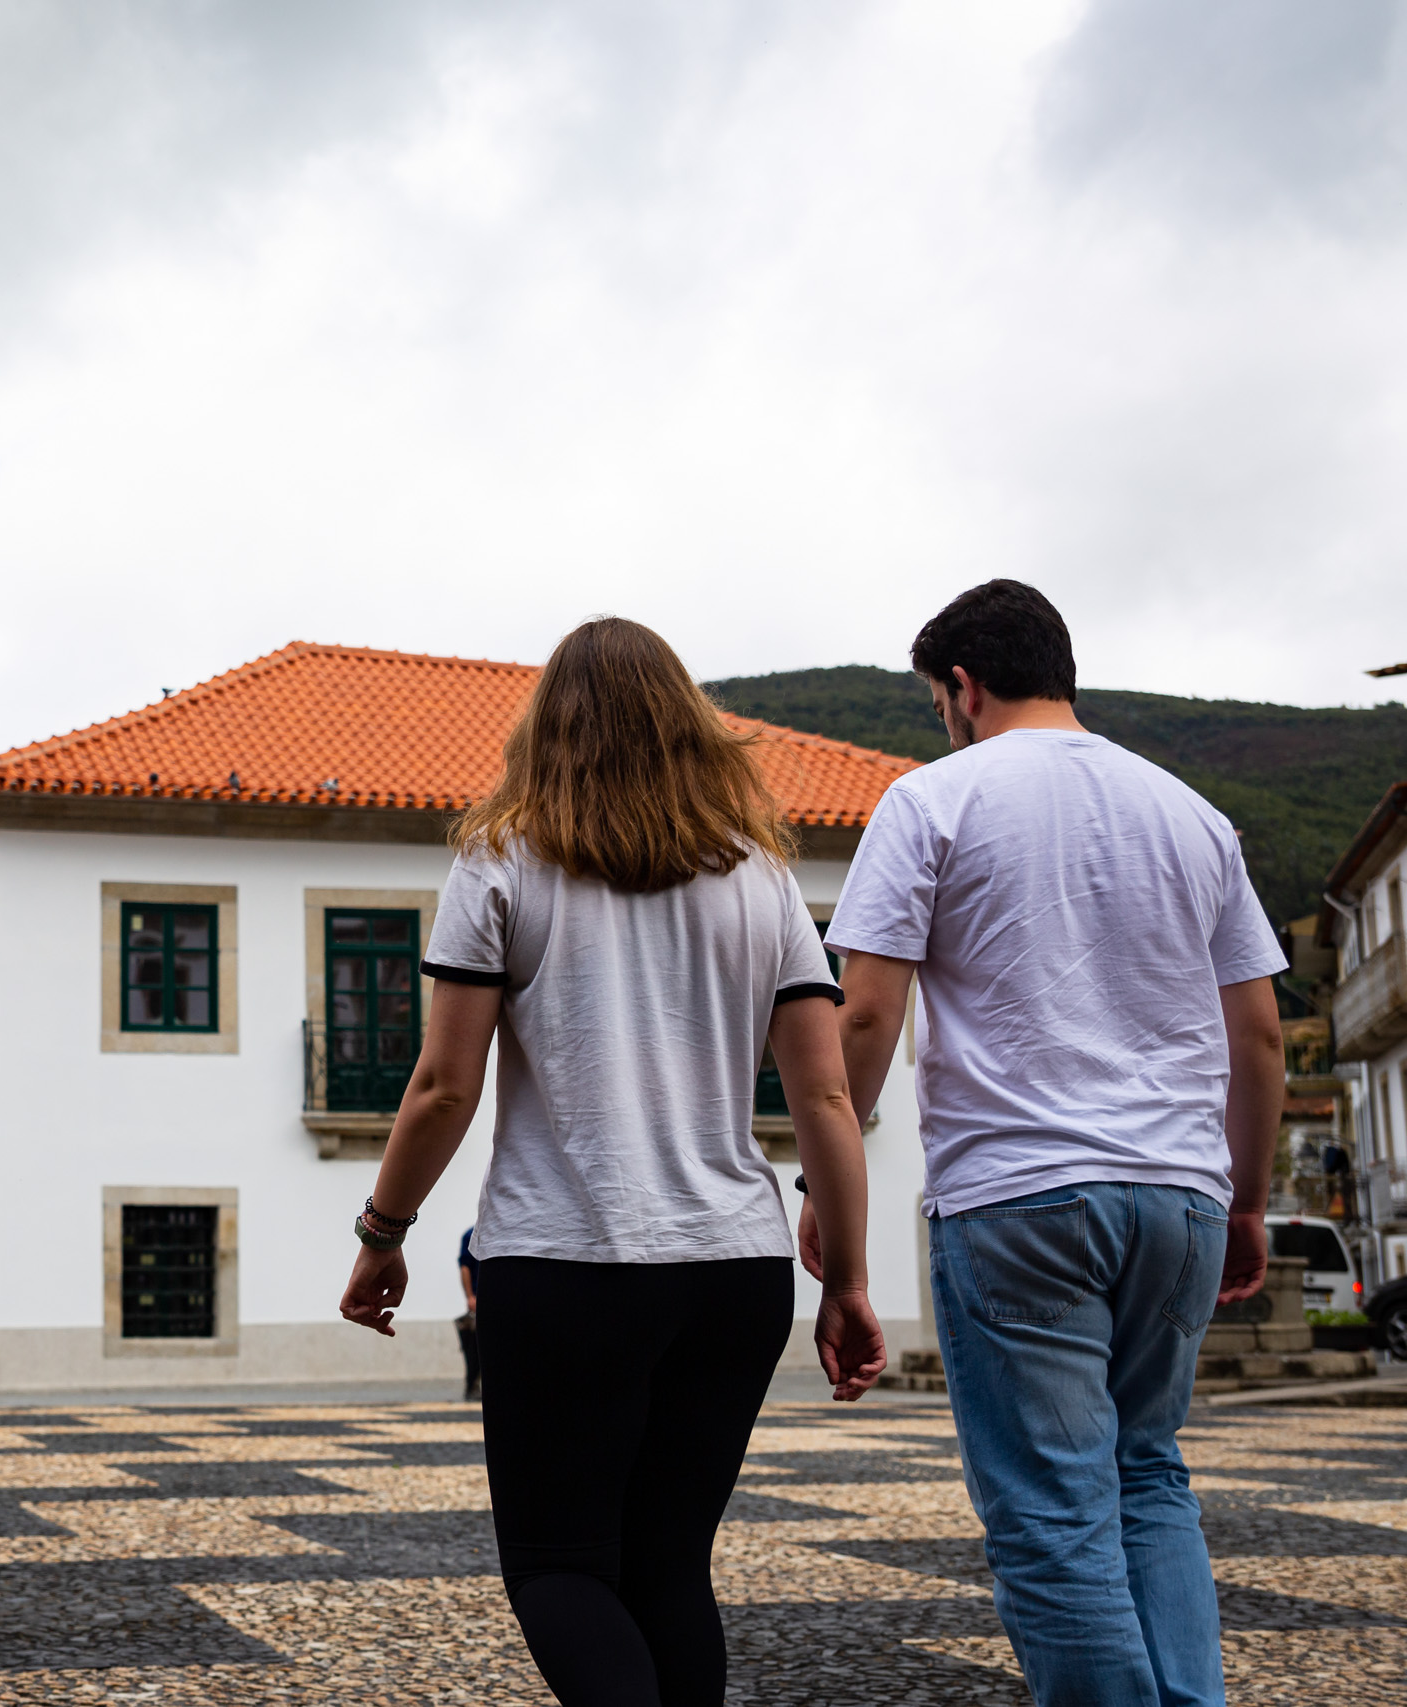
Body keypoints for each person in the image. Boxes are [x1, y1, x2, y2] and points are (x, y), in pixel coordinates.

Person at [339, 617, 887, 1707]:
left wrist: (383, 1234)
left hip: (562, 1262)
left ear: (550, 729)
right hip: (732, 1268)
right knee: (667, 1565)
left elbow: (445, 1086)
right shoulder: (762, 879)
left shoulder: (500, 859)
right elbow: (823, 1093)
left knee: (559, 1565)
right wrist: (852, 1279)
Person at [807, 580, 1283, 1707]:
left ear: (961, 686)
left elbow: (866, 1015)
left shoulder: (926, 803)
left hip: (1018, 1196)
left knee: (1051, 1510)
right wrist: (1247, 1201)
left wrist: (827, 1193)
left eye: (940, 699)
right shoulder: (1190, 813)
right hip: (1179, 1199)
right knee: (1147, 1474)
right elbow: (1256, 1030)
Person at [456, 1226, 482, 1403]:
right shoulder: (471, 1235)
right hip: (478, 1297)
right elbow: (465, 1267)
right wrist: (470, 1296)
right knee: (473, 1349)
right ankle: (472, 1384)